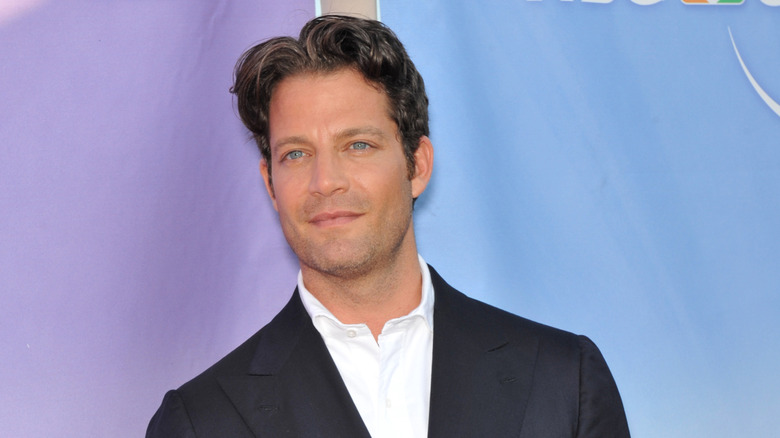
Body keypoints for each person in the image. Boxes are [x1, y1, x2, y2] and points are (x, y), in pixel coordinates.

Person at [146, 15, 630, 438]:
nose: (325, 182)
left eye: (357, 145)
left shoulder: (564, 381)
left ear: (416, 165)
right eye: (295, 154)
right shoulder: (200, 422)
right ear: (271, 185)